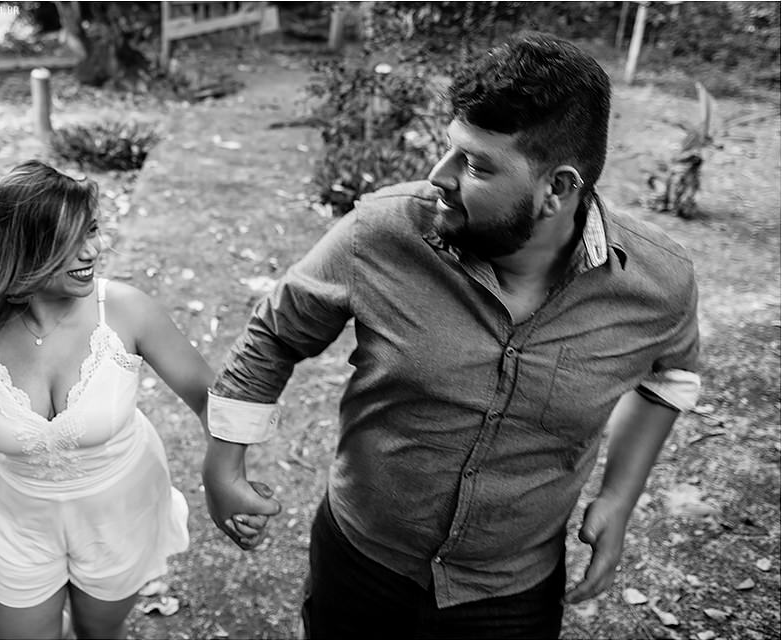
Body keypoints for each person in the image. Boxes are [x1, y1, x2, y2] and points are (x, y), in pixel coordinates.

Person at [202, 33, 701, 639]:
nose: (440, 176)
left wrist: (620, 496)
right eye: (450, 149)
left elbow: (671, 378)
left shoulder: (658, 283)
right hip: (360, 563)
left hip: (512, 595)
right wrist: (223, 466)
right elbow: (275, 333)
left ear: (559, 189)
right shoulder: (381, 233)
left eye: (477, 164)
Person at [0, 160, 270, 639]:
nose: (94, 249)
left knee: (95, 634)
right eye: (72, 239)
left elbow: (211, 401)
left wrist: (226, 480)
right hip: (17, 523)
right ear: (24, 247)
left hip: (119, 515)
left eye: (93, 229)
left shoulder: (126, 311)